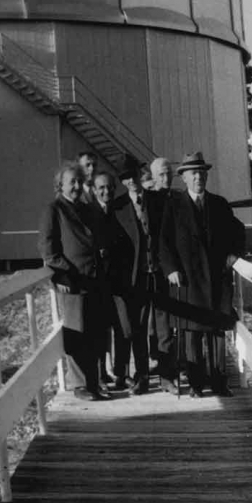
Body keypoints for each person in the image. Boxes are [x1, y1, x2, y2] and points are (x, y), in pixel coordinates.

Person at [159, 151, 244, 397]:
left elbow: (238, 233)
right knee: (192, 333)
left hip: (216, 279)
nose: (199, 177)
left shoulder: (219, 204)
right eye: (193, 173)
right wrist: (171, 269)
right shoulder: (173, 205)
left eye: (202, 173)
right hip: (188, 279)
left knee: (217, 332)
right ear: (184, 178)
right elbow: (164, 242)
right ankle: (196, 384)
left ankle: (219, 382)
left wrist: (234, 254)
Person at [37, 161, 109, 401]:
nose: (77, 186)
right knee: (76, 333)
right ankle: (80, 384)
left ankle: (94, 383)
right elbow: (48, 249)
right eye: (72, 182)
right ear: (60, 185)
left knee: (94, 333)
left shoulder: (87, 209)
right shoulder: (54, 209)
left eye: (79, 181)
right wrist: (63, 274)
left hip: (94, 280)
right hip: (72, 282)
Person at [114, 157, 156, 393]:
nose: (130, 181)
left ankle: (169, 372)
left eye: (132, 175)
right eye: (125, 178)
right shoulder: (118, 207)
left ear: (140, 174)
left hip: (158, 274)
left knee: (162, 327)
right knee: (137, 328)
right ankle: (142, 376)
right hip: (134, 277)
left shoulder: (156, 200)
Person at [90, 171, 130, 389]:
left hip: (120, 283)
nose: (106, 192)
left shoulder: (120, 210)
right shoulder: (88, 213)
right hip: (98, 284)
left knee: (124, 328)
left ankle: (121, 373)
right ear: (94, 190)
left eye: (110, 187)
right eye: (101, 188)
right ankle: (100, 375)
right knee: (99, 331)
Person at [146, 155, 178, 391]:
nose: (166, 178)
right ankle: (165, 372)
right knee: (160, 322)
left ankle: (178, 364)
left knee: (176, 320)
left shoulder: (178, 198)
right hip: (156, 269)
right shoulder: (148, 200)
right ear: (154, 177)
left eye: (169, 174)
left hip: (179, 269)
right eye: (161, 175)